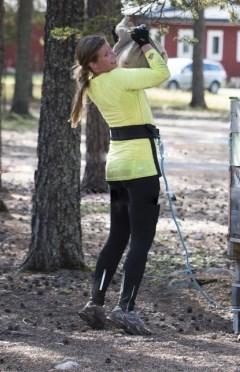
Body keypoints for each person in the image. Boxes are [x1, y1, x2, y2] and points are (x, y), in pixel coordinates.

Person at [72, 26, 170, 335]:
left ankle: (96, 303)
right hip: (141, 167)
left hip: (117, 168)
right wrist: (145, 44)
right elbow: (160, 73)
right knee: (141, 240)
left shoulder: (93, 84)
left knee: (117, 238)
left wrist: (126, 39)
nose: (113, 55)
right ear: (93, 64)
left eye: (112, 50)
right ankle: (125, 309)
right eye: (106, 54)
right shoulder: (121, 78)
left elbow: (117, 63)